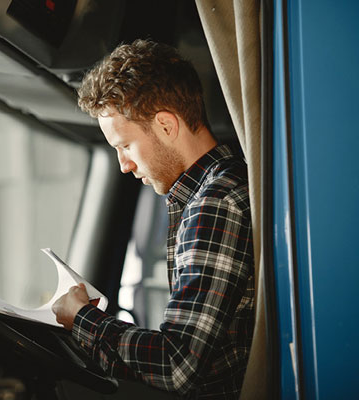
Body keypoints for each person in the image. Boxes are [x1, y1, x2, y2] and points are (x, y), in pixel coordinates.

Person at [51, 39, 255, 399]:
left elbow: (178, 365)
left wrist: (80, 318)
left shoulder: (214, 204)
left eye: (125, 146)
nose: (124, 166)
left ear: (165, 125)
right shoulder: (213, 190)